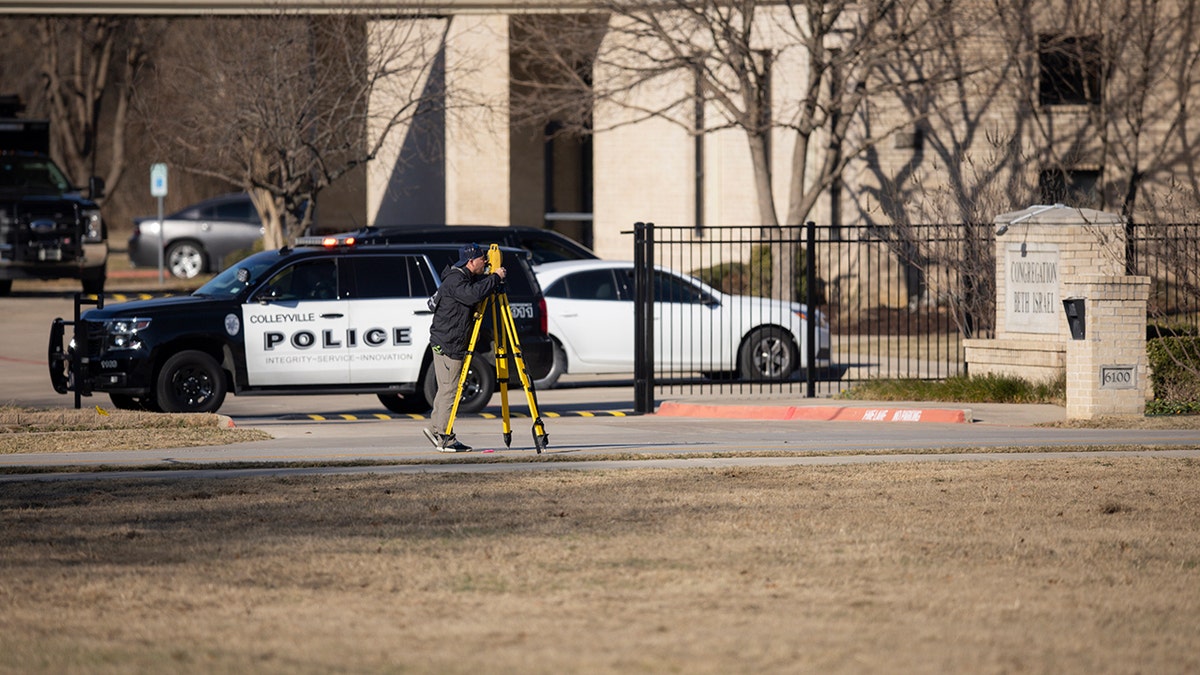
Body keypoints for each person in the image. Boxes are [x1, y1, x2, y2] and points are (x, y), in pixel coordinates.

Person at [423, 243, 506, 452]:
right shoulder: (457, 281)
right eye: (482, 260)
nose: (485, 263)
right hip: (450, 343)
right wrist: (495, 277)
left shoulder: (459, 277)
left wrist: (490, 277)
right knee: (451, 390)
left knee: (445, 389)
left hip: (444, 340)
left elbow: (475, 289)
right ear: (471, 261)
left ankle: (435, 428)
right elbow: (473, 295)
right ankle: (445, 438)